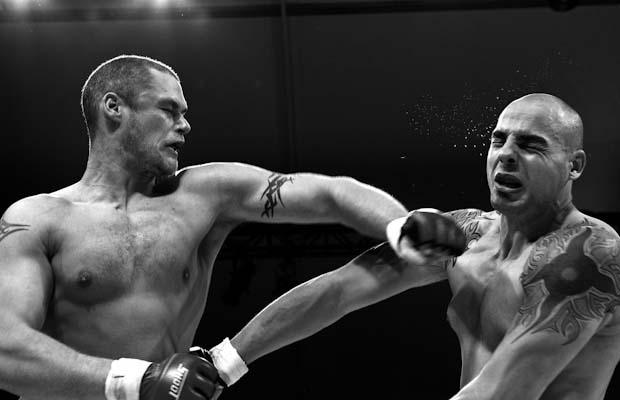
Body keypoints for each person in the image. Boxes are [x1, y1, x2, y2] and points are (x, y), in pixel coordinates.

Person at [0, 55, 410, 400]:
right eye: (168, 110)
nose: (185, 126)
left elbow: (330, 193)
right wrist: (136, 382)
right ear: (114, 107)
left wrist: (406, 226)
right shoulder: (37, 218)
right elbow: (5, 349)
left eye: (184, 114)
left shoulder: (203, 194)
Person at [219, 93, 620, 399]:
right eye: (499, 140)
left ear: (574, 165)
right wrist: (223, 362)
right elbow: (339, 290)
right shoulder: (467, 235)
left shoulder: (590, 253)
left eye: (531, 145)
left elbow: (504, 391)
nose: (507, 155)